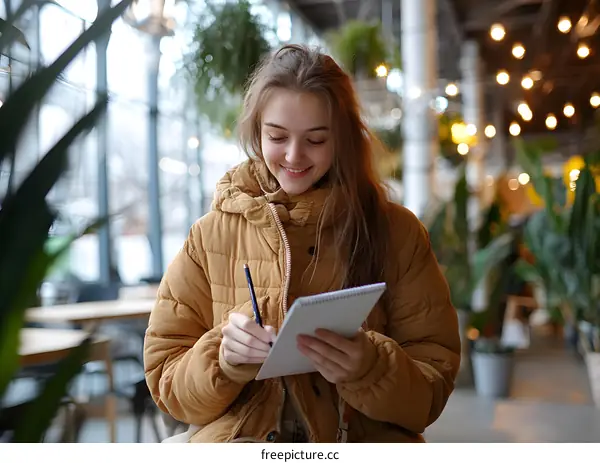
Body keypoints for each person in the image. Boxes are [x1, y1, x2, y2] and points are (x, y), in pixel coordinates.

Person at [144, 44, 460, 443]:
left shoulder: (397, 233)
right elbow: (166, 381)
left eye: (316, 140)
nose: (294, 156)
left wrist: (371, 368)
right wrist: (222, 361)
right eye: (277, 136)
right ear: (257, 131)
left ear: (343, 139)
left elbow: (433, 385)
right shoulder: (209, 236)